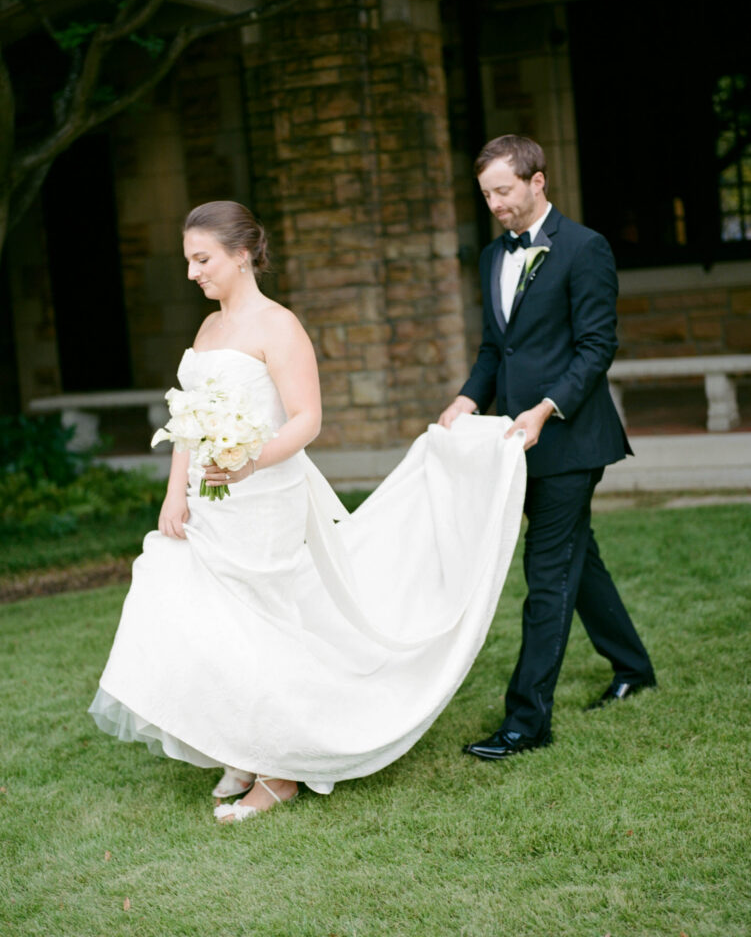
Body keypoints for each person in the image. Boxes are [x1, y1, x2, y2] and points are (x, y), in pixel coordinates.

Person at [90, 200, 528, 821]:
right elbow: (187, 421)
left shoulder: (279, 327)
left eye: (202, 259)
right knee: (199, 614)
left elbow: (308, 421)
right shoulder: (208, 331)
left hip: (263, 498)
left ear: (242, 256)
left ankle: (279, 773)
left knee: (261, 628)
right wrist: (174, 493)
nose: (192, 273)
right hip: (209, 502)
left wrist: (249, 462)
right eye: (188, 260)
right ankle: (243, 745)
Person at [439, 135, 656, 762]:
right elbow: (494, 350)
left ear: (538, 181)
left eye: (503, 190)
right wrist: (466, 400)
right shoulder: (489, 258)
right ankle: (633, 666)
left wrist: (543, 409)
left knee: (548, 574)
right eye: (486, 194)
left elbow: (596, 347)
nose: (496, 204)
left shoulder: (586, 249)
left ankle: (526, 722)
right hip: (515, 443)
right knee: (576, 558)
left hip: (569, 439)